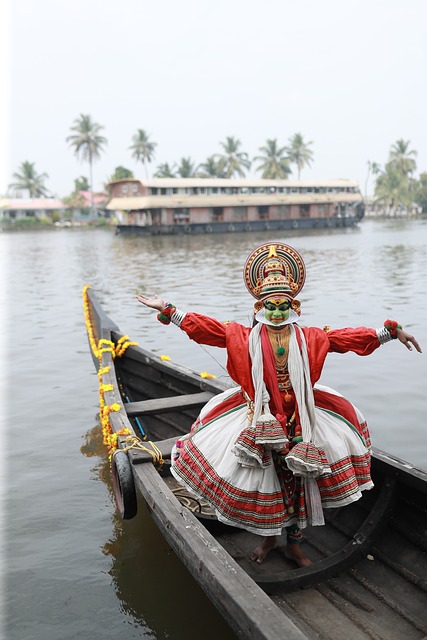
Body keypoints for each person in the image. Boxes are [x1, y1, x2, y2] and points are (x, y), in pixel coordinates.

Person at [136, 241, 421, 568]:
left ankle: (294, 546)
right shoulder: (242, 336)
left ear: (293, 305)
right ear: (259, 306)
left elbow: (346, 339)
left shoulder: (311, 337)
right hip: (260, 422)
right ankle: (271, 539)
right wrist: (168, 309)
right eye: (269, 306)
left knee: (302, 484)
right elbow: (206, 328)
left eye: (282, 306)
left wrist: (390, 333)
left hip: (304, 422)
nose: (275, 313)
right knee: (267, 483)